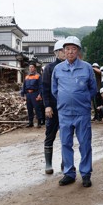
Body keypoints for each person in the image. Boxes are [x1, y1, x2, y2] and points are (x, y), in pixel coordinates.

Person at [52, 36, 97, 187]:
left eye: (73, 49)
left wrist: (82, 100)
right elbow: (54, 90)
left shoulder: (87, 67)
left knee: (84, 143)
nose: (70, 52)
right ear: (63, 52)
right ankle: (69, 173)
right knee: (65, 143)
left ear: (78, 51)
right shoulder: (58, 69)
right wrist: (65, 100)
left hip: (82, 112)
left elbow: (93, 88)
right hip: (64, 113)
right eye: (67, 49)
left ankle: (85, 174)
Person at [42, 40, 65, 174]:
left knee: (66, 136)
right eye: (61, 50)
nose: (64, 53)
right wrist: (47, 106)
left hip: (66, 109)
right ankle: (48, 164)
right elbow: (45, 88)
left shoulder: (70, 67)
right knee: (50, 135)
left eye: (65, 50)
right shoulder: (49, 68)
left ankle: (65, 162)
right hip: (53, 108)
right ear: (56, 52)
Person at [21, 63, 43, 128]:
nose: (31, 69)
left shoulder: (38, 76)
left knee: (37, 108)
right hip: (28, 94)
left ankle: (39, 122)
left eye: (32, 67)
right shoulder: (26, 77)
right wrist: (22, 94)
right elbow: (24, 86)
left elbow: (41, 86)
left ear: (35, 68)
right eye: (30, 67)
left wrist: (40, 95)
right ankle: (30, 122)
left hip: (35, 94)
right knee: (29, 108)